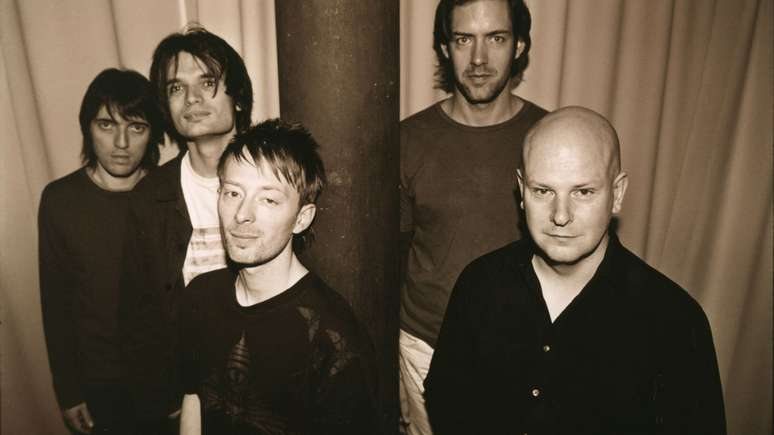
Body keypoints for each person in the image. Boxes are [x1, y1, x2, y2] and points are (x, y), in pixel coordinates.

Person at [424, 106, 727, 434]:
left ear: (617, 194)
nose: (560, 215)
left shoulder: (674, 321)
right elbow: (447, 399)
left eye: (583, 192)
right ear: (522, 191)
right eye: (543, 191)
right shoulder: (479, 283)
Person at [399, 1, 546, 432]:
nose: (479, 59)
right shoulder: (407, 140)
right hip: (424, 347)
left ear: (519, 45)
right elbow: (391, 258)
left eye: (496, 38)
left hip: (524, 348)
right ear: (445, 47)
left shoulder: (549, 139)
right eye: (464, 39)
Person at [178, 119, 378, 435]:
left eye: (268, 199)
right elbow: (194, 398)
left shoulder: (334, 338)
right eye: (232, 193)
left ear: (301, 219)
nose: (242, 214)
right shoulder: (201, 296)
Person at [118, 26, 253, 433]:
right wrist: (162, 399)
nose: (191, 99)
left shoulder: (277, 177)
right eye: (176, 88)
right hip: (187, 392)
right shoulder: (150, 197)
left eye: (207, 83)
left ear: (238, 97)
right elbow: (138, 314)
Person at [39, 68, 163, 434]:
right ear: (87, 128)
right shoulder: (60, 200)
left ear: (152, 133)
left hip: (166, 383)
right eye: (107, 125)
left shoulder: (168, 192)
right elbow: (55, 303)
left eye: (136, 127)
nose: (121, 142)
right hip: (98, 386)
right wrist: (68, 391)